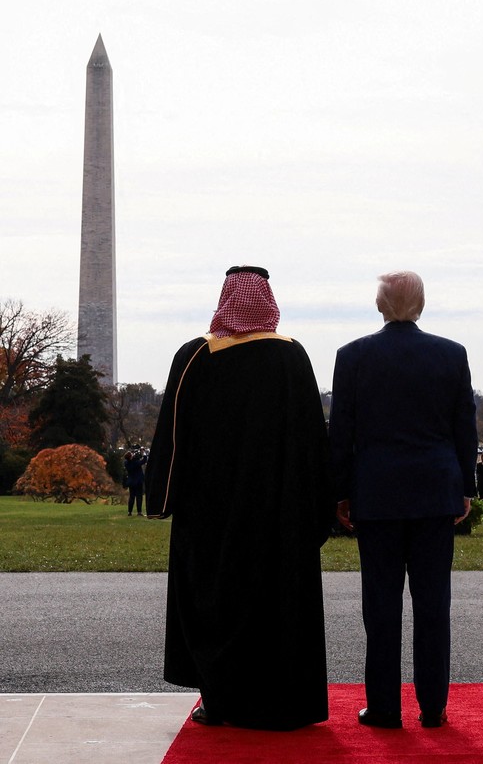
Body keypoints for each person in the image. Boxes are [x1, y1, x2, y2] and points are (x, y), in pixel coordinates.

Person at [145, 265, 331, 730]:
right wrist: (320, 508)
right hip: (279, 514)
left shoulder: (197, 356)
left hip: (213, 514)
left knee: (216, 605)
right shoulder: (292, 357)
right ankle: (284, 703)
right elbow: (313, 442)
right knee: (279, 604)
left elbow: (171, 436)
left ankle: (222, 700)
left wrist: (161, 498)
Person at [328, 271, 477, 731]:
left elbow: (342, 434)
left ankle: (385, 709)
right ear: (422, 305)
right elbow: (463, 429)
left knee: (381, 607)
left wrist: (340, 491)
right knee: (433, 605)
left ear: (380, 305)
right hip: (435, 492)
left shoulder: (352, 357)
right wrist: (465, 488)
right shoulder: (451, 355)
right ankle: (433, 707)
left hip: (377, 494)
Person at [123, 445, 146, 516]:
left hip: (131, 482)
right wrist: (143, 453)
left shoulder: (126, 463)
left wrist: (136, 454)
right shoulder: (135, 463)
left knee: (132, 497)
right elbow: (144, 460)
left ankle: (129, 512)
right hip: (138, 482)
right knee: (139, 497)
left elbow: (134, 459)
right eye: (131, 454)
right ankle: (139, 512)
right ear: (130, 457)